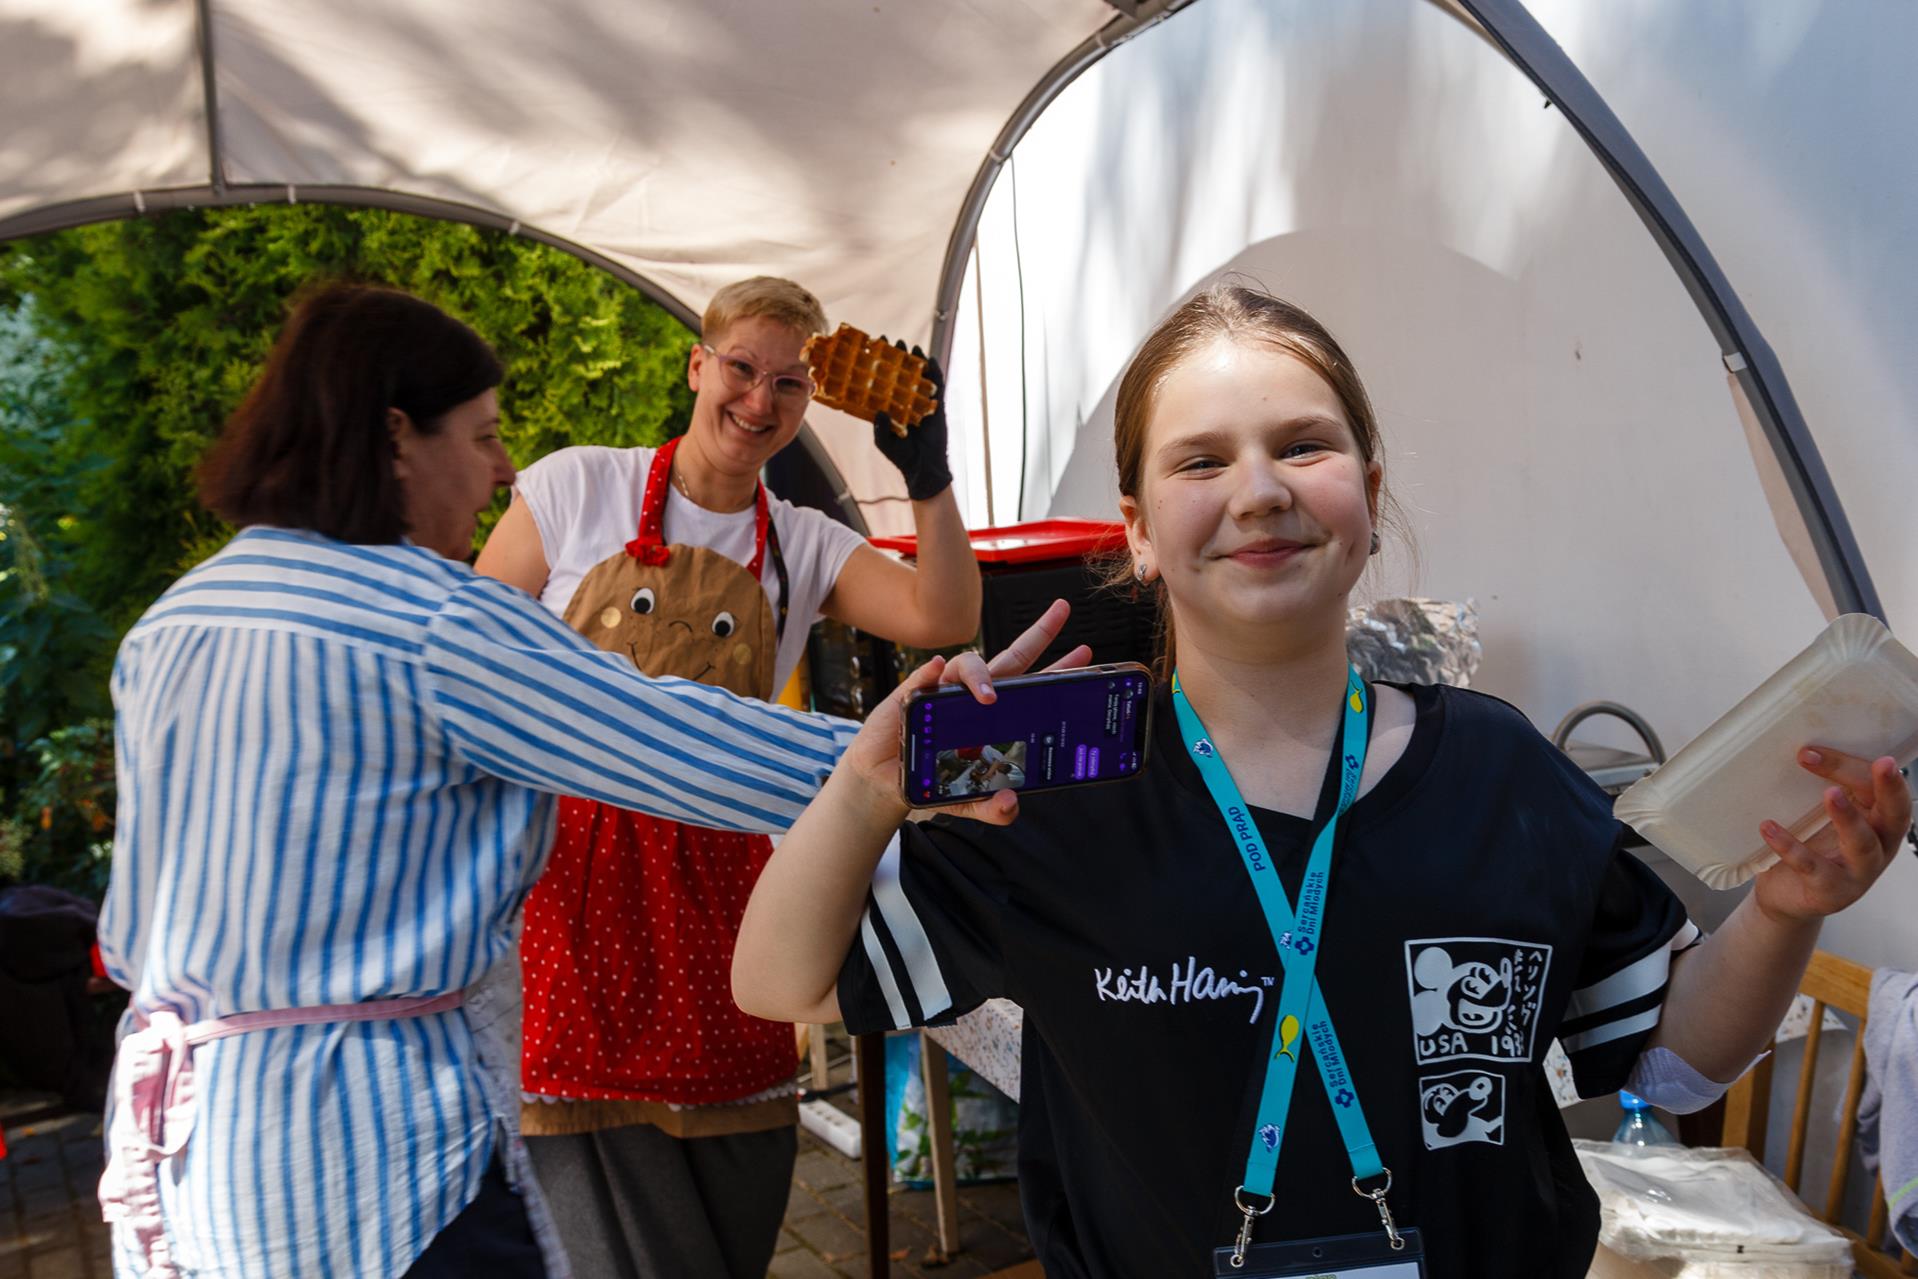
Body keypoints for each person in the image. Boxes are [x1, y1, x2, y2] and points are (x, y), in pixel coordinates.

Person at [732, 284, 1912, 1278]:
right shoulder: (1054, 801)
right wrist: (865, 787)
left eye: (1302, 445)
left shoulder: (1501, 773)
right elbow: (781, 980)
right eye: (1202, 460)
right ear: (1136, 530)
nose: (1259, 491)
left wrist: (1781, 909)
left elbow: (1668, 1059)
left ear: (1369, 494)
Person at [95, 282, 883, 1279]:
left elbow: (128, 931)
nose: (504, 469)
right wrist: (902, 757)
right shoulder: (436, 620)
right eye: (481, 437)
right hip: (377, 1174)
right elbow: (674, 739)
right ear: (396, 439)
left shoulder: (174, 619)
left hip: (188, 1165)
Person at [471, 275, 980, 1278]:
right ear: (696, 365)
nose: (759, 401)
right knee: (591, 1204)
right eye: (741, 369)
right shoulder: (576, 487)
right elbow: (476, 657)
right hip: (570, 892)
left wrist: (930, 480)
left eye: (788, 384)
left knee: (731, 1183)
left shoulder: (803, 541)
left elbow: (944, 616)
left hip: (724, 901)